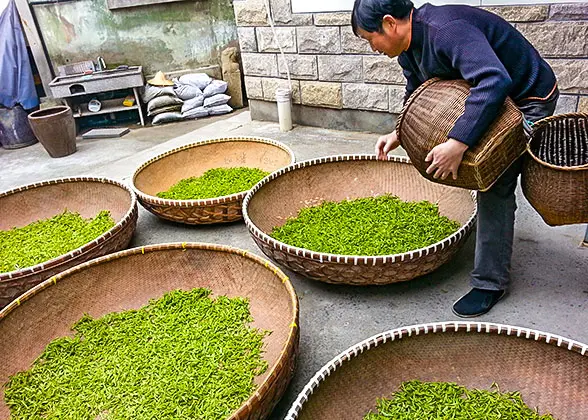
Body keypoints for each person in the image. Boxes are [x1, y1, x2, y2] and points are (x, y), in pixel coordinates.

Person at [351, 0, 559, 317]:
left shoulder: (446, 30)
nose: (373, 48)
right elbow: (418, 90)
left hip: (528, 95)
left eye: (370, 39)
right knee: (477, 156)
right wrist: (399, 132)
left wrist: (459, 142)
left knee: (495, 177)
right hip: (495, 97)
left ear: (390, 23)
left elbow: (493, 80)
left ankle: (490, 283)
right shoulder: (408, 47)